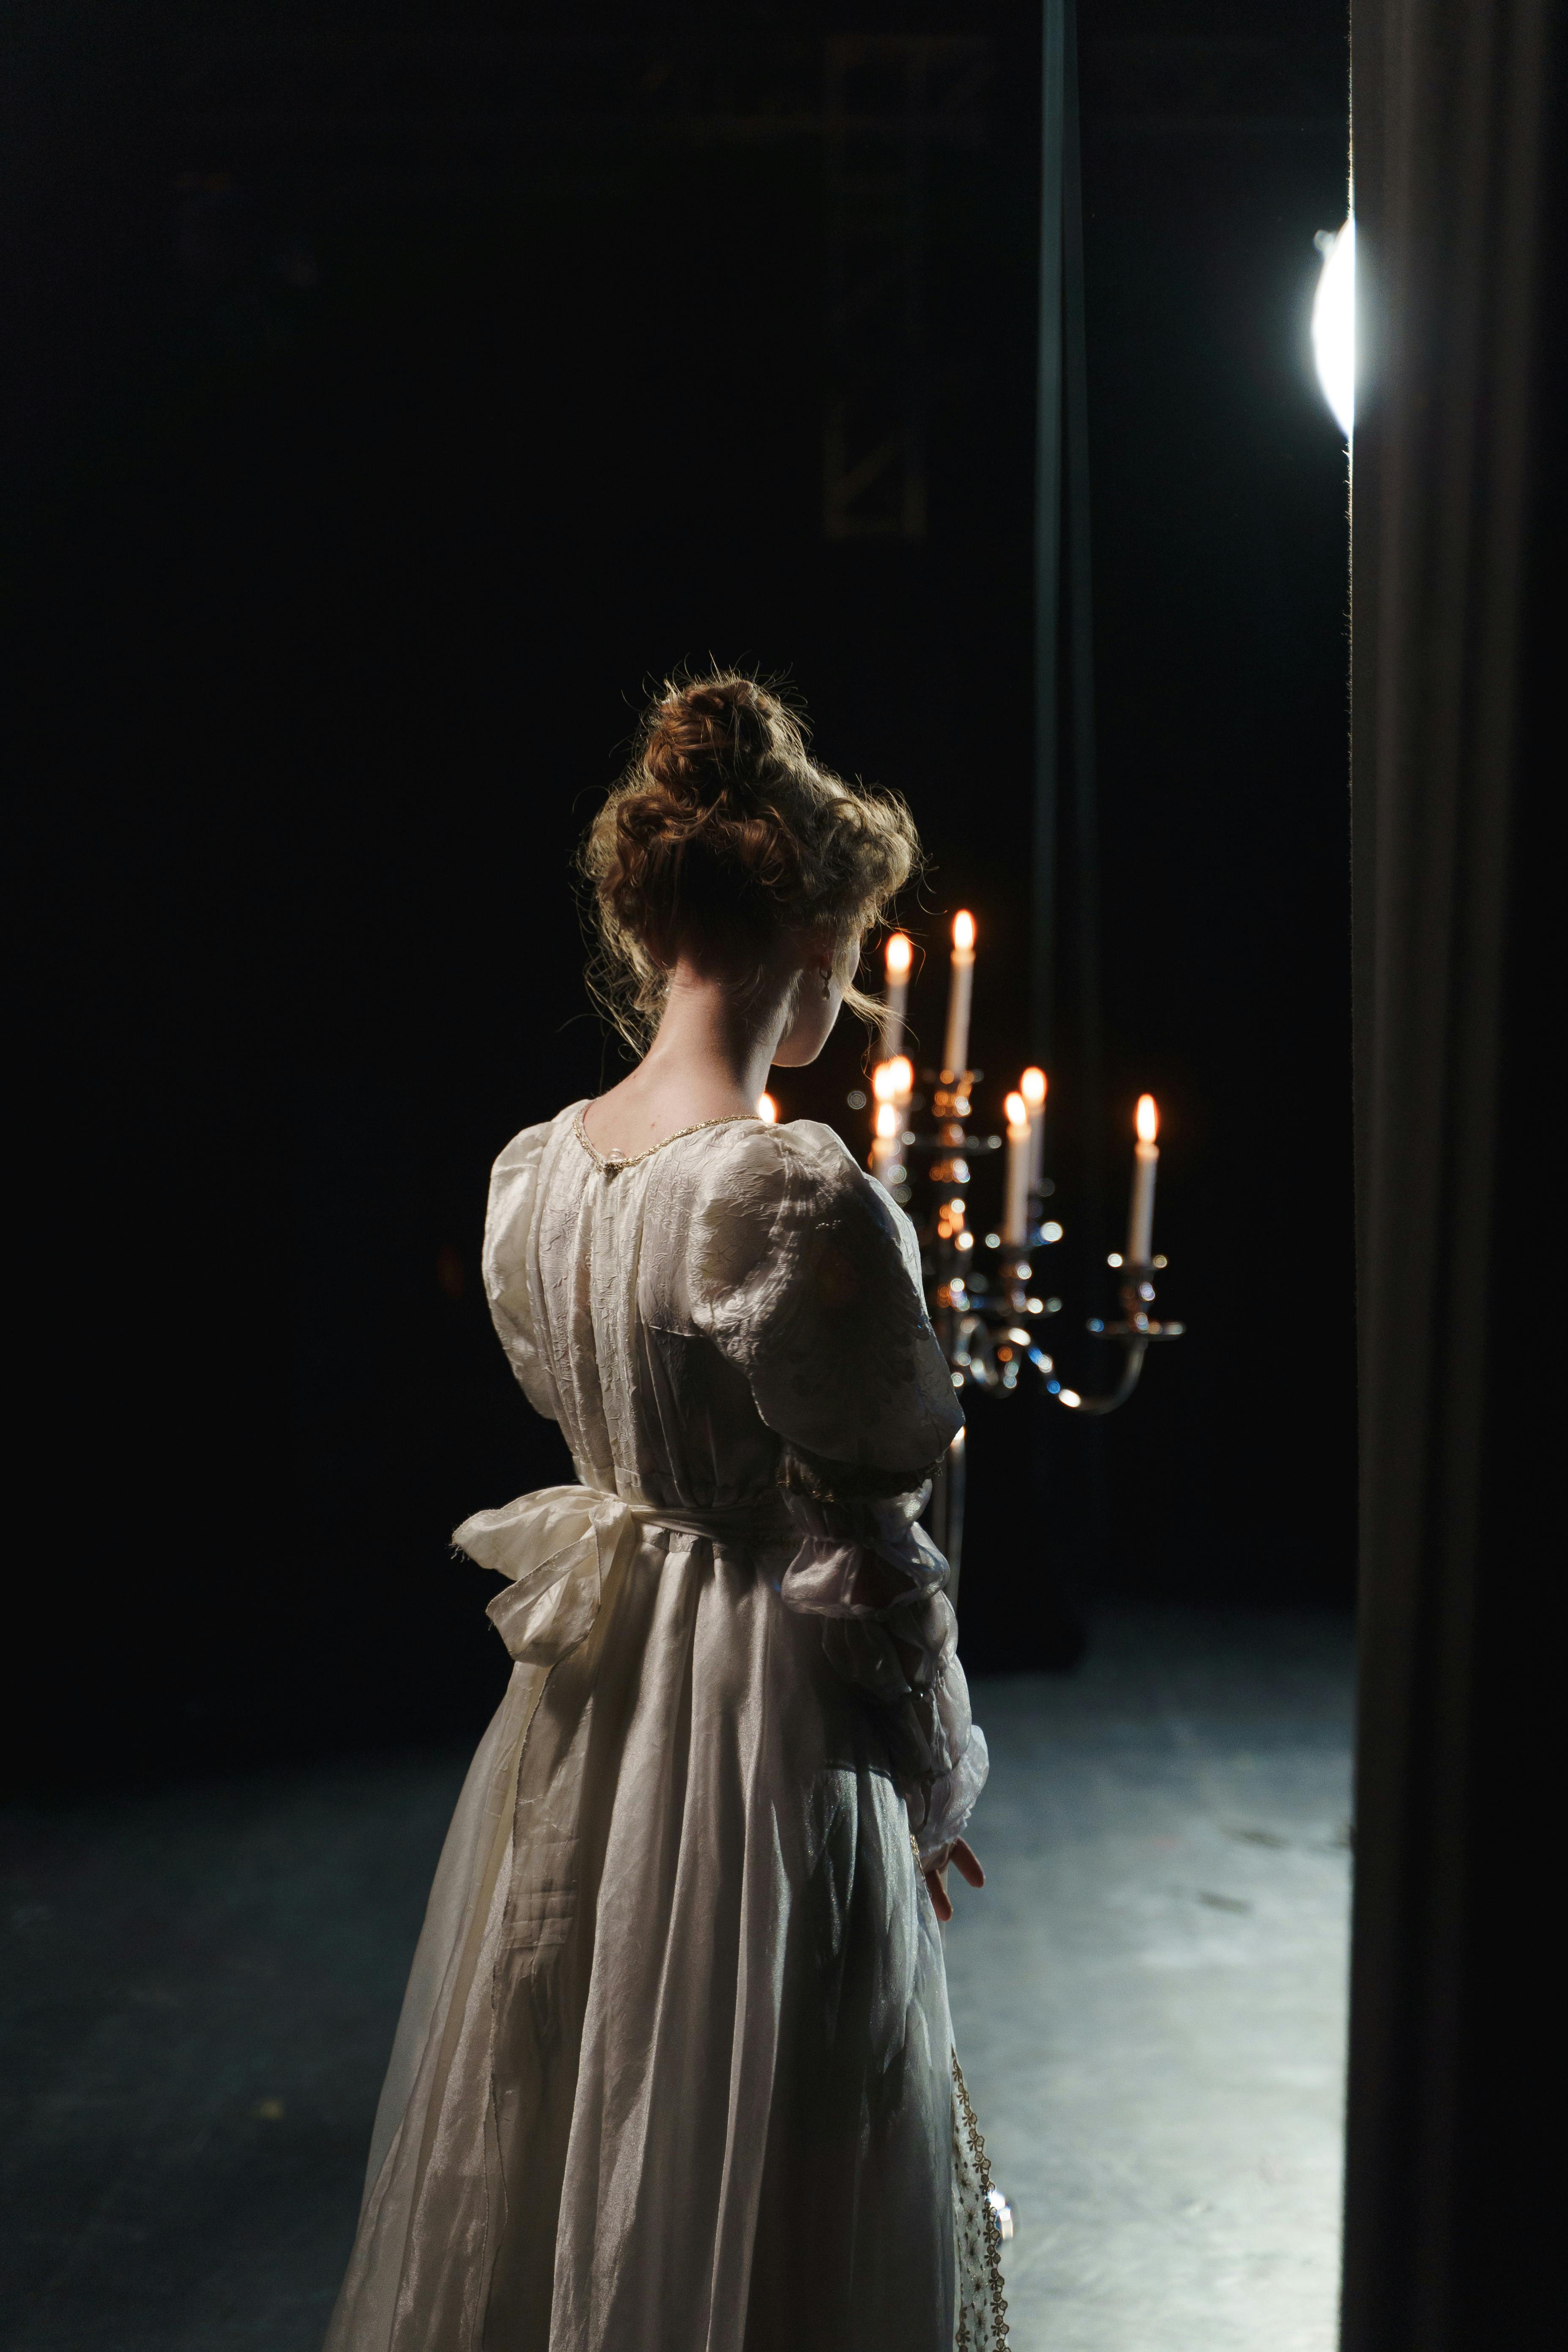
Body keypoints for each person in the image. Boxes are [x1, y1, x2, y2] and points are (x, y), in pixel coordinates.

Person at [324, 673, 1004, 2351]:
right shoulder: (783, 1183)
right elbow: (873, 1553)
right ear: (819, 932)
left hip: (594, 1705)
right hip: (761, 1711)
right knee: (778, 2132)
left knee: (583, 2099)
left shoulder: (536, 1172)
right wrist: (930, 1774)